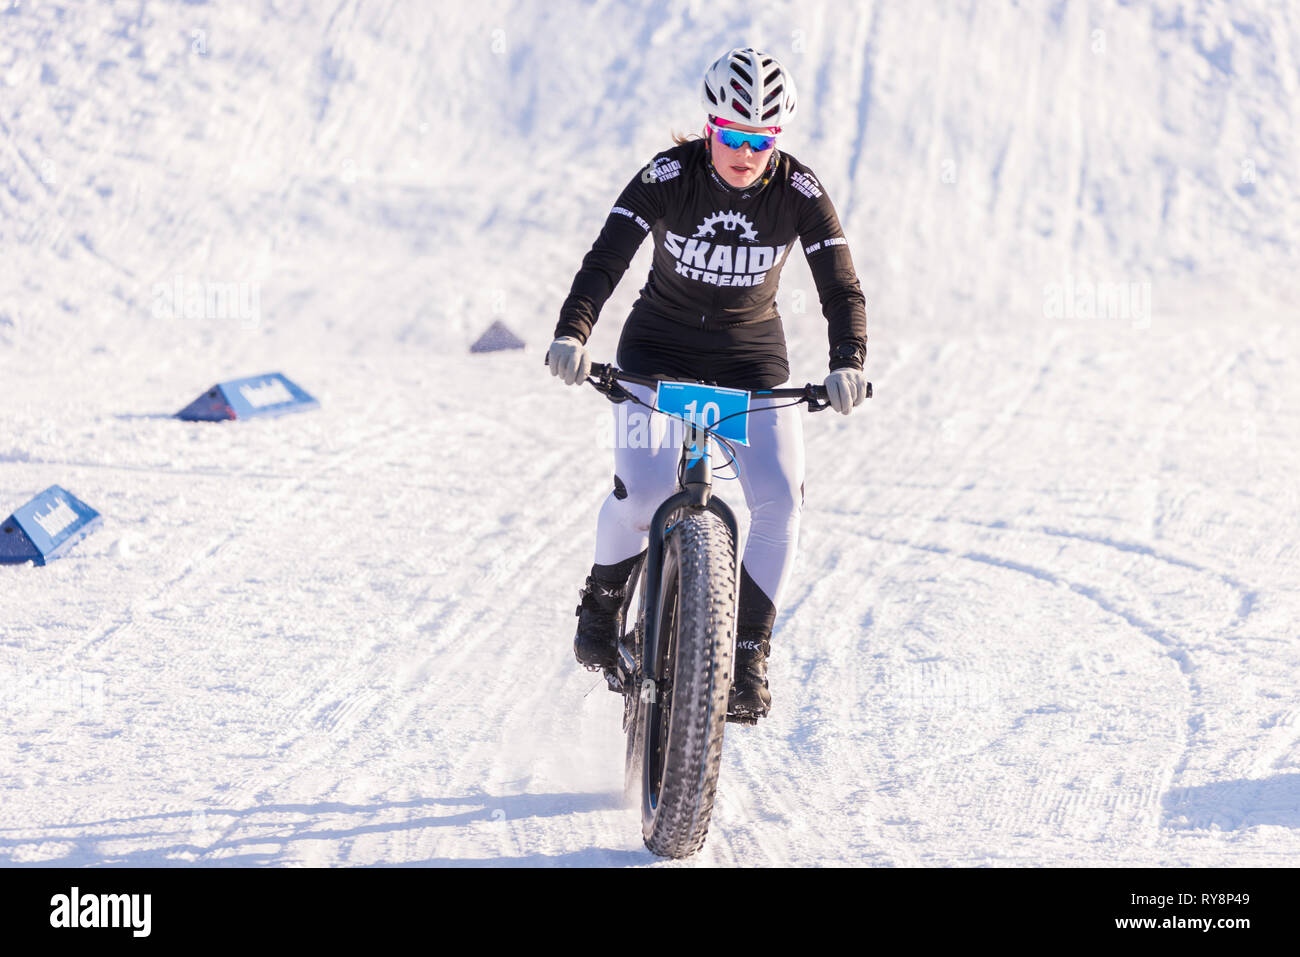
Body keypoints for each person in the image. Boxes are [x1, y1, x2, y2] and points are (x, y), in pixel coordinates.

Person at [546, 46, 869, 720]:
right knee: (644, 498)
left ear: (776, 140)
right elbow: (606, 257)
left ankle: (747, 652)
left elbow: (840, 284)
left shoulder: (800, 191)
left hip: (751, 361)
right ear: (709, 126)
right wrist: (574, 332)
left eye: (760, 141)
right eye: (731, 136)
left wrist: (849, 359)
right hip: (654, 352)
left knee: (781, 499)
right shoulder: (670, 174)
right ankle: (601, 610)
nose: (745, 154)